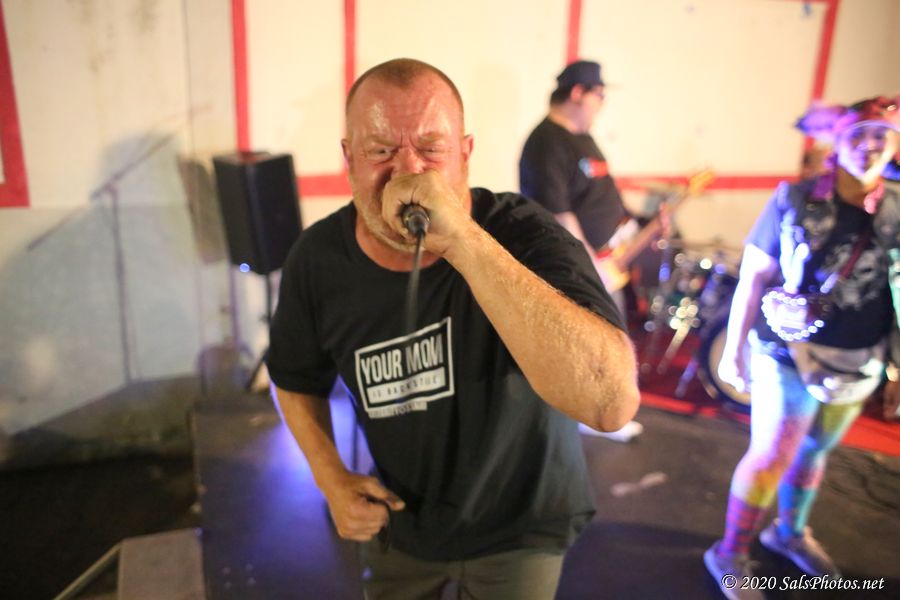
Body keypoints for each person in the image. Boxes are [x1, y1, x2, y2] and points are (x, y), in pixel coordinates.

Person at [266, 58, 640, 600]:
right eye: (380, 151)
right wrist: (331, 478)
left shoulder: (528, 235)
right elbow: (294, 377)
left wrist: (462, 240)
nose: (408, 173)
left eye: (430, 149)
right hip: (399, 520)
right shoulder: (317, 260)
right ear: (348, 159)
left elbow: (610, 404)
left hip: (521, 529)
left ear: (465, 154)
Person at [705, 96, 900, 600]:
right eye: (859, 134)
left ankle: (787, 533)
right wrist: (733, 349)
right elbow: (754, 275)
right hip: (787, 353)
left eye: (881, 134)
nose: (871, 145)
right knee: (772, 455)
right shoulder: (795, 198)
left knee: (814, 451)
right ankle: (729, 553)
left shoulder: (897, 206)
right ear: (838, 140)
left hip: (861, 358)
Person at [519, 59, 643, 442]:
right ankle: (590, 413)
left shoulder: (583, 137)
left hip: (603, 258)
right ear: (577, 93)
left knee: (611, 336)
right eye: (599, 95)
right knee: (591, 340)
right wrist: (591, 264)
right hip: (574, 264)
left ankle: (601, 410)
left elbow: (598, 192)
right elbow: (560, 213)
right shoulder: (545, 142)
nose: (602, 103)